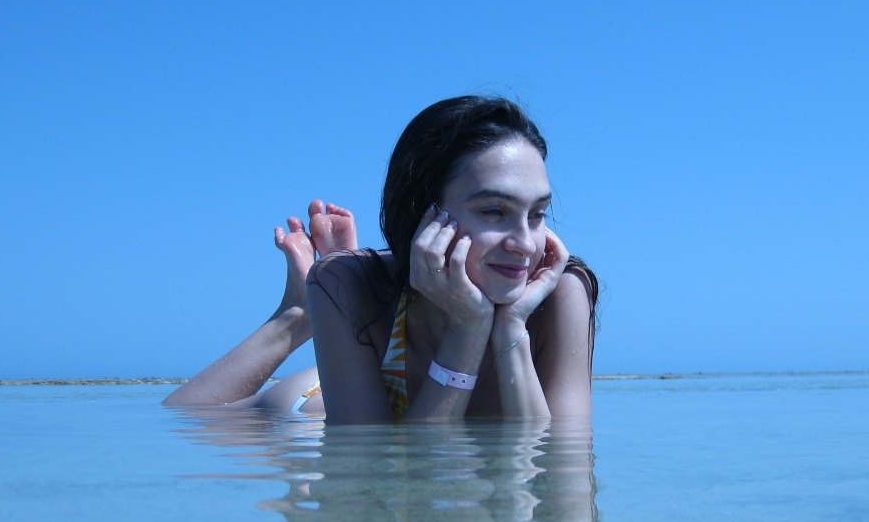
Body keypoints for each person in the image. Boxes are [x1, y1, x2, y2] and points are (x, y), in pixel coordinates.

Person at [163, 96, 598, 422]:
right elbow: (385, 477)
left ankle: (317, 308)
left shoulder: (559, 295)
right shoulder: (348, 287)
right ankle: (299, 314)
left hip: (368, 367)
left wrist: (510, 331)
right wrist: (467, 330)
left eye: (537, 214)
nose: (525, 244)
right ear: (423, 214)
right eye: (494, 211)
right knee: (195, 419)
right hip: (308, 410)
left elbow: (563, 486)